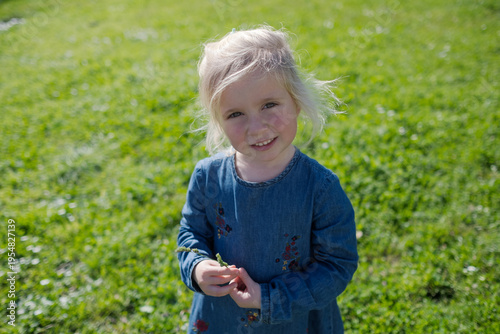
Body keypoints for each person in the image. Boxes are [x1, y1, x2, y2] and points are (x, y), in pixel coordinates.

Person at [177, 25, 358, 333]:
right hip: (222, 320)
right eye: (235, 114)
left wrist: (270, 297)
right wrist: (196, 268)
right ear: (218, 121)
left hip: (294, 322)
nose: (256, 127)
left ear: (296, 101)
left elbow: (336, 265)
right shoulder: (208, 177)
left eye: (269, 105)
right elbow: (191, 235)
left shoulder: (320, 188)